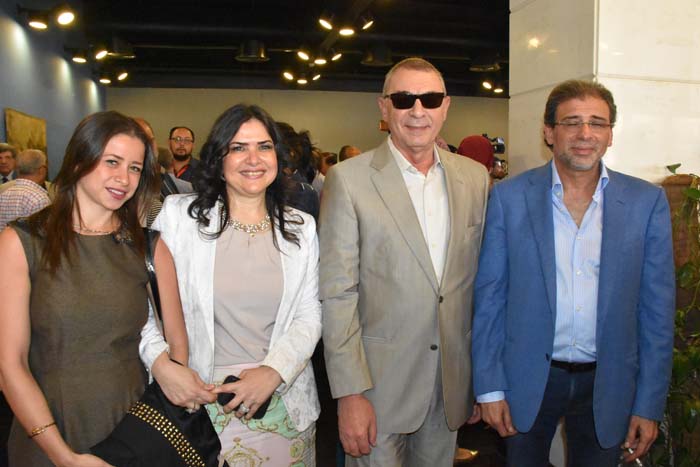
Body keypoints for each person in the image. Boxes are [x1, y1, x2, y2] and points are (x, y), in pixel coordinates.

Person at [472, 79, 675, 466]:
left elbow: (657, 313)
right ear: (549, 132)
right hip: (527, 380)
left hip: (608, 382)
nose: (585, 133)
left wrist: (648, 404)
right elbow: (490, 299)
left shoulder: (645, 202)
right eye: (572, 122)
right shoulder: (510, 198)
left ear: (610, 134)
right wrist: (490, 388)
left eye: (597, 123)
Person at [320, 57, 489, 466]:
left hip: (449, 385)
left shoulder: (475, 179)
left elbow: (479, 287)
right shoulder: (349, 180)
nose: (417, 110)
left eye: (429, 99)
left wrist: (478, 382)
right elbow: (337, 293)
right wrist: (350, 393)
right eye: (403, 99)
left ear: (445, 107)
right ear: (384, 108)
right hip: (377, 388)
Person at [0, 111, 194, 467]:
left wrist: (160, 408)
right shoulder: (22, 243)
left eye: (135, 168)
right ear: (79, 161)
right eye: (112, 162)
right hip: (48, 433)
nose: (124, 179)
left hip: (131, 434)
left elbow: (177, 348)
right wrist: (64, 457)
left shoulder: (150, 248)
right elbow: (9, 364)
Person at [142, 104, 322, 466]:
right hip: (196, 404)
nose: (253, 159)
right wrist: (161, 364)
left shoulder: (300, 226)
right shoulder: (179, 216)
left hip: (281, 406)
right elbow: (140, 304)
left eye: (264, 146)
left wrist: (274, 372)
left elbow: (310, 313)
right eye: (238, 148)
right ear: (218, 158)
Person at [0, 149, 50, 231]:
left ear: (17, 169)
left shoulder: (4, 194)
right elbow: (44, 234)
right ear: (42, 170)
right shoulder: (39, 199)